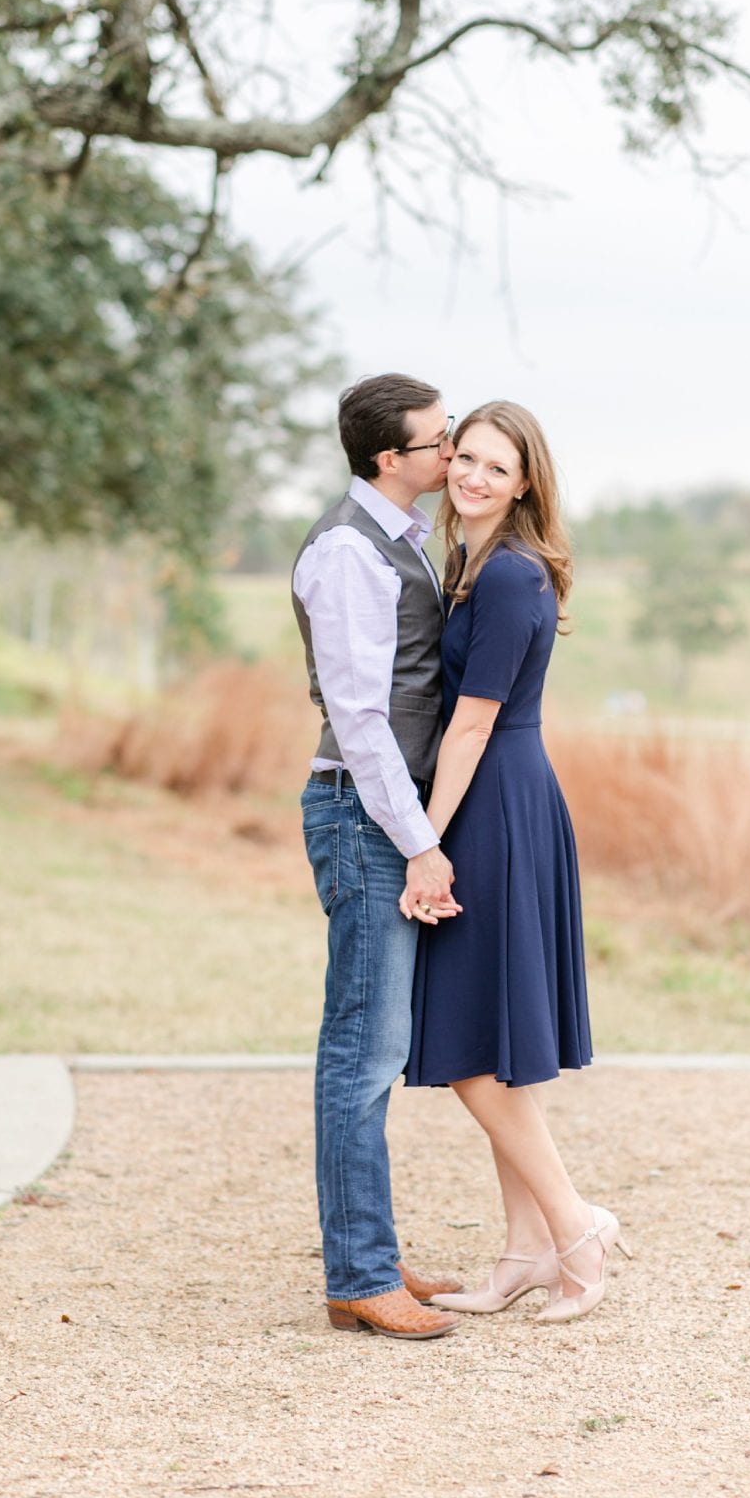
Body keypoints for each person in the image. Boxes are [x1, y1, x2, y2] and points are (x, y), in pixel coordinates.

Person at [404, 401, 630, 1323]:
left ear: (526, 481)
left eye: (498, 468)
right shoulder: (473, 564)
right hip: (502, 797)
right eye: (466, 460)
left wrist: (426, 843)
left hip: (492, 805)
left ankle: (576, 1231)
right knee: (494, 1043)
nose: (473, 478)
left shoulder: (506, 579)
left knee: (469, 1052)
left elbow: (473, 719)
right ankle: (524, 1255)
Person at [292, 374, 466, 1341]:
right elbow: (361, 722)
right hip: (365, 815)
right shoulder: (348, 554)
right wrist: (422, 845)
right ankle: (359, 1274)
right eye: (439, 442)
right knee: (362, 1052)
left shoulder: (394, 540)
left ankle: (372, 1252)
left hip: (374, 814)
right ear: (388, 460)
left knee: (376, 1047)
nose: (453, 453)